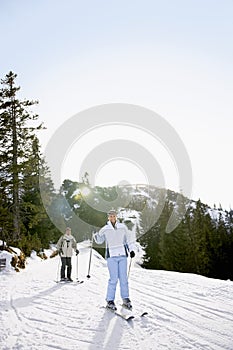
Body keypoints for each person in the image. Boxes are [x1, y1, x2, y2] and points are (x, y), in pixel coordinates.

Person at [93, 209, 136, 310]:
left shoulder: (122, 227)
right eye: (110, 216)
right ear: (108, 217)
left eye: (114, 215)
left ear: (116, 216)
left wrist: (131, 250)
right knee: (113, 279)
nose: (112, 217)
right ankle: (110, 300)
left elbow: (128, 240)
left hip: (122, 256)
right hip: (111, 256)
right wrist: (95, 235)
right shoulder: (105, 229)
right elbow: (99, 241)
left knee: (124, 278)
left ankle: (125, 298)